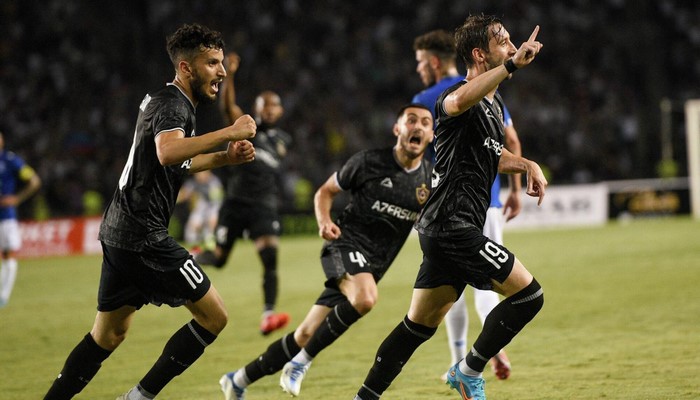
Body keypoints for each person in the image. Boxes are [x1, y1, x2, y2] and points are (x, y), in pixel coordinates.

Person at [43, 23, 257, 400]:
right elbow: (168, 152)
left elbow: (176, 162)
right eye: (212, 63)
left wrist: (225, 158)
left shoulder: (168, 102)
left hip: (120, 232)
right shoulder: (174, 105)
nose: (222, 72)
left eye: (222, 63)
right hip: (144, 237)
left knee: (108, 335)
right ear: (186, 68)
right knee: (214, 316)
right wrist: (230, 132)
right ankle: (139, 397)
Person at [354, 15, 547, 400]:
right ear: (480, 54)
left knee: (416, 328)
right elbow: (457, 102)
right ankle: (468, 370)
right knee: (529, 296)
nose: (512, 47)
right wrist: (511, 65)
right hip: (454, 226)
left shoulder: (494, 104)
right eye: (503, 42)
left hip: (442, 228)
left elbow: (492, 154)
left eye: (512, 42)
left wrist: (526, 164)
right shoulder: (455, 96)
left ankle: (364, 397)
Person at [219, 104, 435, 400]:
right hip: (342, 247)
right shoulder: (368, 162)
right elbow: (325, 191)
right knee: (365, 298)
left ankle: (238, 380)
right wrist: (324, 221)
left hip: (372, 266)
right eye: (411, 120)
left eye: (425, 122)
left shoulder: (429, 180)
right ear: (397, 128)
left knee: (306, 334)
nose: (418, 126)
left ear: (431, 135)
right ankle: (300, 363)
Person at [412, 29, 523, 381]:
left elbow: (415, 151)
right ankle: (487, 351)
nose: (418, 69)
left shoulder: (428, 98)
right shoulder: (488, 87)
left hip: (446, 205)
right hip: (488, 198)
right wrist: (515, 189)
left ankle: (458, 357)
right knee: (492, 277)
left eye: (420, 63)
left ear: (433, 62)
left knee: (454, 287)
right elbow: (511, 138)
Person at [195, 52, 292, 336]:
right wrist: (231, 74)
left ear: (280, 111)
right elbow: (227, 106)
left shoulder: (283, 140)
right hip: (236, 202)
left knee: (270, 258)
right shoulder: (247, 127)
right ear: (257, 109)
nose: (270, 110)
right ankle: (191, 258)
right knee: (219, 259)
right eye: (264, 105)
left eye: (274, 106)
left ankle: (268, 315)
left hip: (263, 205)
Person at [0, 131, 41, 308]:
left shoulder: (10, 160)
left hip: (6, 218)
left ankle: (3, 296)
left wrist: (17, 198)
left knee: (8, 254)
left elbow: (34, 181)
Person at [176, 170, 224, 249]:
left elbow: (217, 201)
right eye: (197, 174)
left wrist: (213, 216)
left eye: (201, 174)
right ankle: (193, 247)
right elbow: (184, 194)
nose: (198, 176)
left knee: (212, 221)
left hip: (213, 206)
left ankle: (211, 241)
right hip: (201, 206)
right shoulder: (194, 182)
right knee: (193, 225)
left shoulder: (214, 182)